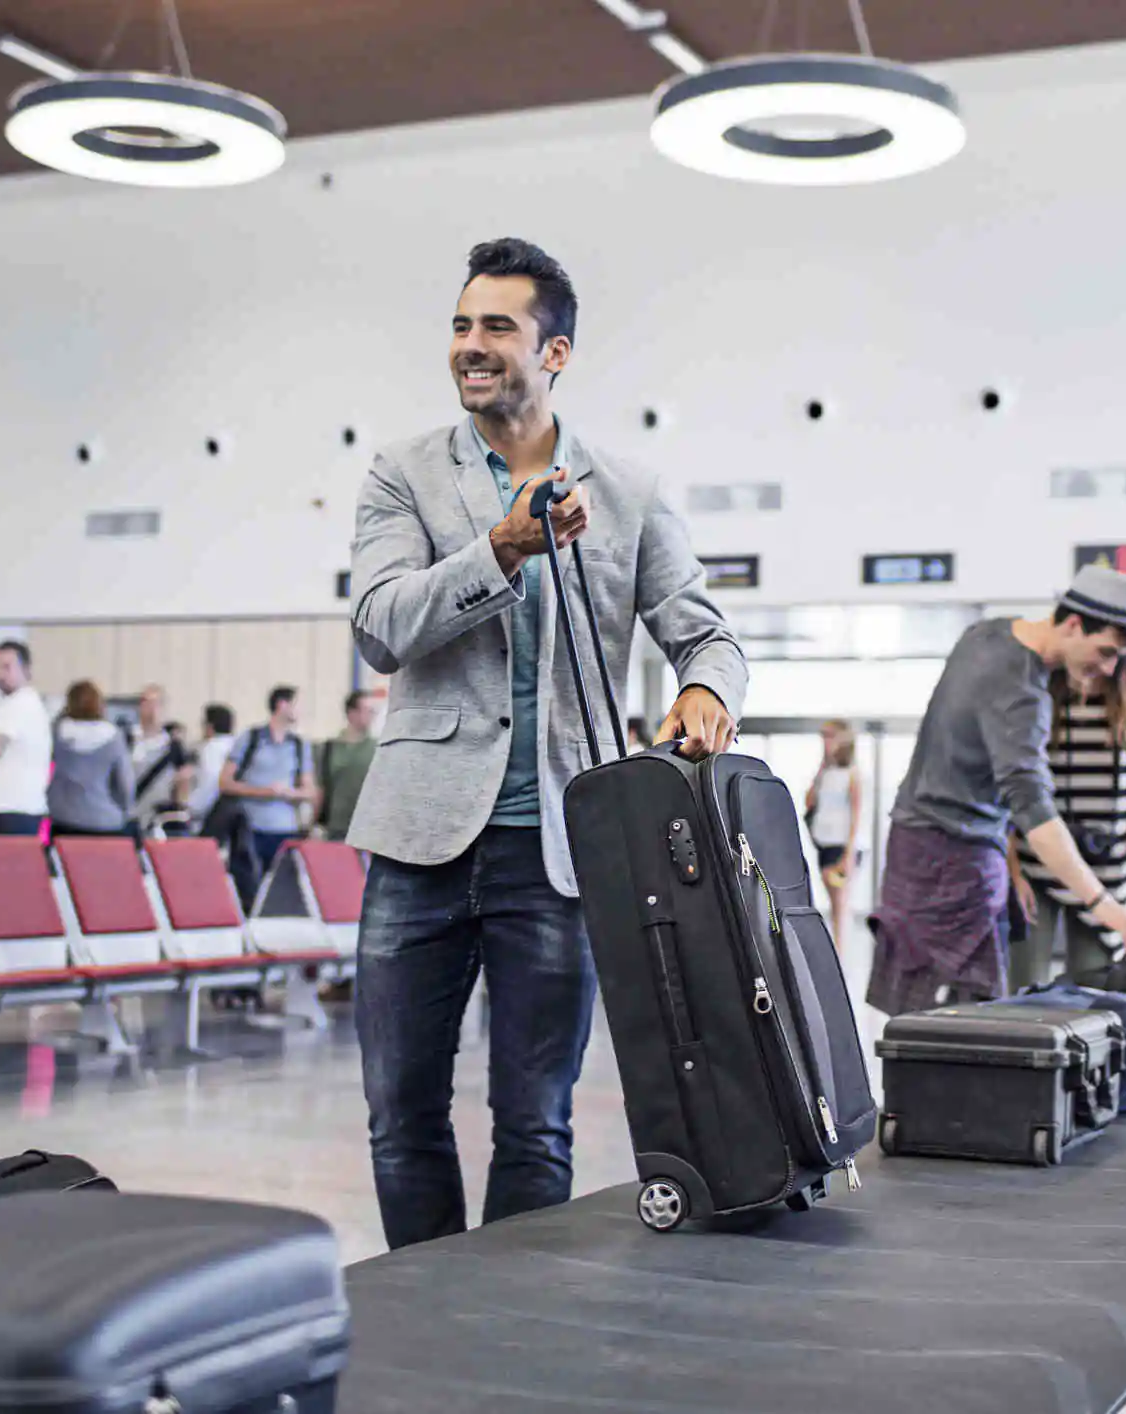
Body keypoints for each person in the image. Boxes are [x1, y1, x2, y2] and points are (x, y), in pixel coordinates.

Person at [347, 237, 747, 1250]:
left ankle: (507, 1324)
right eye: (460, 325)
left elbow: (706, 632)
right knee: (402, 1118)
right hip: (416, 841)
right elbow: (381, 624)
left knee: (536, 1124)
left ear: (555, 351)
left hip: (558, 854)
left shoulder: (629, 490)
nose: (470, 347)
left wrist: (703, 690)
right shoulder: (402, 475)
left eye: (497, 328)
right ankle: (420, 1307)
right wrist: (501, 550)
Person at [868, 566, 1126, 1015]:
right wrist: (1106, 907)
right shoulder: (1024, 694)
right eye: (1105, 652)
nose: (1108, 668)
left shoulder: (984, 634)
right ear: (1074, 623)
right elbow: (1034, 811)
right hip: (954, 859)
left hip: (910, 843)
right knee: (967, 1024)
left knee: (917, 1014)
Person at [1008, 658, 1126, 988]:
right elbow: (1012, 795)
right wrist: (1013, 873)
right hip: (1037, 867)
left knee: (1092, 987)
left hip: (1107, 871)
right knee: (1026, 988)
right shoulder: (1037, 705)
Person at [217, 685, 318, 904]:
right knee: (248, 889)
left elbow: (309, 790)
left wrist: (289, 793)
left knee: (281, 893)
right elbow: (225, 782)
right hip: (249, 828)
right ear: (282, 705)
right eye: (296, 705)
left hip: (285, 829)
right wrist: (262, 792)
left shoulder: (300, 745)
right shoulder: (250, 738)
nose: (300, 711)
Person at [0, 641, 51, 835]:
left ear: (26, 669)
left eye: (7, 667)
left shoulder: (23, 703)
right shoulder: (2, 706)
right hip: (0, 806)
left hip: (13, 809)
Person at [803, 720, 863, 957]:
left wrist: (849, 853)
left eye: (830, 736)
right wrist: (820, 769)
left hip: (842, 846)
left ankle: (839, 955)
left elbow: (857, 815)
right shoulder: (826, 773)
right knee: (832, 901)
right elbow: (809, 802)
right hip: (824, 845)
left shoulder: (852, 774)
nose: (826, 741)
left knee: (840, 904)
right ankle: (836, 950)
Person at [49, 680, 137, 838]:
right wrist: (126, 810)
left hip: (64, 819)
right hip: (105, 821)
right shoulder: (113, 736)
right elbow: (125, 783)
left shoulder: (57, 733)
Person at [317, 691, 379, 844]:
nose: (372, 715)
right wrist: (314, 825)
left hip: (370, 830)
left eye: (373, 711)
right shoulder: (329, 748)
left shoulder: (379, 748)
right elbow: (320, 789)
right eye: (368, 710)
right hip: (337, 829)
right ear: (352, 713)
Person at [128, 684, 192, 831]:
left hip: (157, 819)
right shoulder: (126, 740)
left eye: (155, 703)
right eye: (145, 702)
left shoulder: (174, 747)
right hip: (127, 815)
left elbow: (182, 786)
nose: (150, 708)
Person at [185, 703, 237, 830]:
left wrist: (190, 808)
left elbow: (209, 781)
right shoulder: (238, 745)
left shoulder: (210, 748)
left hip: (211, 815)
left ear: (209, 726)